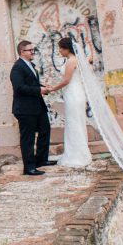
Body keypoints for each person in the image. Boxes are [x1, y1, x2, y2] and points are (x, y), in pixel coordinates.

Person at [46, 36, 93, 168]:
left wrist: (51, 89)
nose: (59, 51)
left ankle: (78, 156)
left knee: (75, 123)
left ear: (67, 48)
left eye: (61, 48)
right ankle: (78, 153)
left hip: (74, 94)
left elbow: (66, 80)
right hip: (73, 93)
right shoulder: (74, 60)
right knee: (75, 122)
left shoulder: (71, 61)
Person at [10, 40, 55, 176]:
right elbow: (19, 88)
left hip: (37, 106)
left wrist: (43, 88)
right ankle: (28, 167)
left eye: (33, 49)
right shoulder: (17, 67)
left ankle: (41, 160)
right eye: (30, 50)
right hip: (25, 108)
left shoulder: (30, 65)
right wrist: (39, 91)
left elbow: (31, 84)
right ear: (22, 52)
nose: (33, 52)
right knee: (27, 138)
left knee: (45, 130)